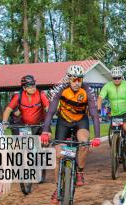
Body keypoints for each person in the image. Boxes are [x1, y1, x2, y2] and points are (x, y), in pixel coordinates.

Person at [40, 65, 101, 196]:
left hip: (80, 121)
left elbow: (94, 114)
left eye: (79, 80)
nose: (77, 83)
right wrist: (45, 131)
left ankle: (79, 171)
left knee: (84, 143)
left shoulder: (87, 90)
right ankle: (58, 188)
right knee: (58, 155)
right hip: (64, 122)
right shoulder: (61, 89)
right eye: (74, 80)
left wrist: (97, 136)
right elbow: (50, 112)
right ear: (68, 79)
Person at [98, 67, 126, 143]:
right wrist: (98, 112)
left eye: (119, 78)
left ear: (121, 77)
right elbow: (100, 99)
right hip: (115, 113)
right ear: (112, 78)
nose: (117, 80)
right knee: (115, 130)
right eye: (115, 78)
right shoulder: (107, 86)